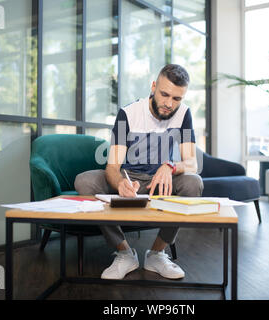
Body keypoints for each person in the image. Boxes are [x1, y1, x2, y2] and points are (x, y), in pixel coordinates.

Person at [74, 64, 203, 280]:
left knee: (193, 182)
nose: (169, 104)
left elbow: (192, 163)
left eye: (176, 99)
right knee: (84, 182)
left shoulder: (184, 114)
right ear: (153, 87)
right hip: (130, 178)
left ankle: (157, 253)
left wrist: (170, 166)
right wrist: (120, 184)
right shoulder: (128, 113)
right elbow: (113, 167)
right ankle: (124, 253)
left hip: (161, 181)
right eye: (164, 94)